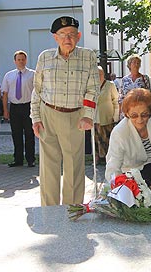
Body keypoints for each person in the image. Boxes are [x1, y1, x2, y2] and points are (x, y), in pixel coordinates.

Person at [30, 15, 99, 206]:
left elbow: (93, 88)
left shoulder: (88, 56)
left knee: (73, 166)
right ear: (55, 38)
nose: (67, 38)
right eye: (62, 34)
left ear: (78, 36)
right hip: (48, 114)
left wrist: (87, 115)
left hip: (74, 116)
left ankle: (72, 209)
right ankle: (50, 211)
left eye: (71, 34)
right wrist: (35, 117)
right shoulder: (44, 57)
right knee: (48, 167)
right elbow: (37, 90)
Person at [105, 88, 151, 185]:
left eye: (144, 114)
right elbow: (113, 164)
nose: (140, 120)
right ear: (127, 114)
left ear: (150, 112)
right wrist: (116, 186)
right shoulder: (120, 132)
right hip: (130, 170)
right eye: (134, 115)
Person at [1, 50, 36, 167]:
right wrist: (5, 110)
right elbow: (5, 94)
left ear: (26, 60)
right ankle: (18, 159)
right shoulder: (9, 75)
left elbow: (38, 92)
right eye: (18, 59)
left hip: (28, 106)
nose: (21, 61)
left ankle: (31, 159)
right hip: (14, 107)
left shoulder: (33, 74)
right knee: (16, 134)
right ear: (15, 61)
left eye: (23, 59)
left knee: (29, 134)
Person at [94, 66, 119, 164]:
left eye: (100, 74)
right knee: (97, 138)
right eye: (96, 74)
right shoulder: (92, 85)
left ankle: (109, 158)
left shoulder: (110, 85)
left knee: (108, 139)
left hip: (108, 116)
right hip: (96, 117)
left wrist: (116, 116)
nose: (98, 76)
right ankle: (98, 157)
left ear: (103, 74)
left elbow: (116, 100)